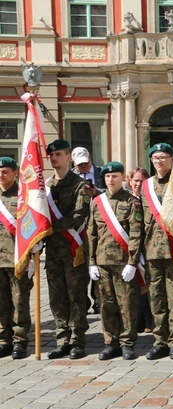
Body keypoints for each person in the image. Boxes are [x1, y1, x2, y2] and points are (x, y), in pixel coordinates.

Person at [140, 143, 173, 360]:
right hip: (152, 250)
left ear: (172, 160)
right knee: (157, 299)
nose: (158, 162)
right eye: (155, 158)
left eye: (163, 157)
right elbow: (140, 220)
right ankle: (159, 341)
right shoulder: (146, 186)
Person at [87, 161, 142, 360]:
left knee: (126, 303)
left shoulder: (132, 202)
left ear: (122, 178)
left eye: (115, 176)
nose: (111, 180)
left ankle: (127, 343)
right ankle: (111, 342)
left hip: (122, 262)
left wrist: (132, 262)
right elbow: (91, 234)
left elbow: (136, 234)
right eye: (108, 176)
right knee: (106, 304)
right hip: (102, 262)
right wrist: (91, 261)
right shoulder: (97, 202)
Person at [44, 139, 90, 360]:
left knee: (76, 296)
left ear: (69, 156)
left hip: (73, 249)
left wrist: (49, 229)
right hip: (52, 251)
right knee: (56, 297)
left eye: (59, 154)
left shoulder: (79, 184)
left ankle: (77, 340)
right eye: (51, 155)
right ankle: (62, 339)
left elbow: (78, 214)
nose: (54, 158)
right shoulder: (45, 186)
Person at [0, 157, 37, 360]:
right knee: (1, 302)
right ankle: (3, 340)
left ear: (15, 173)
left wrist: (32, 251)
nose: (1, 175)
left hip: (17, 258)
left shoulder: (24, 197)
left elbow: (31, 225)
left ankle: (19, 341)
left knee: (19, 301)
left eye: (5, 171)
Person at [71, 146, 102, 314]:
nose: (83, 167)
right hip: (76, 229)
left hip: (99, 226)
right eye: (79, 164)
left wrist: (97, 192)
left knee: (97, 264)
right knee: (79, 266)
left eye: (85, 163)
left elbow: (114, 194)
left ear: (90, 158)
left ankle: (97, 299)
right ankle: (82, 302)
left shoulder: (103, 173)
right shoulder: (68, 177)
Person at [127, 167, 153, 334]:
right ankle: (136, 322)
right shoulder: (125, 200)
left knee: (147, 287)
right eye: (135, 180)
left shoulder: (150, 200)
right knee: (133, 287)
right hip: (128, 248)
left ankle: (149, 322)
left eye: (141, 181)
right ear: (130, 182)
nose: (138, 184)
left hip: (147, 248)